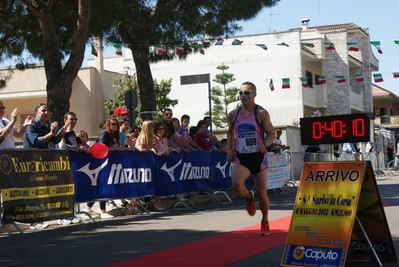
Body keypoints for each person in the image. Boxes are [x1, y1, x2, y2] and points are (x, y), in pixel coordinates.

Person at [226, 81, 275, 236]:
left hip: (258, 157)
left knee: (262, 193)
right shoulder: (234, 114)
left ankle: (265, 220)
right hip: (242, 156)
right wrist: (230, 149)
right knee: (236, 185)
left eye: (246, 93)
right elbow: (229, 132)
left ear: (254, 94)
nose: (243, 96)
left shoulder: (260, 113)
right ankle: (248, 196)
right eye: (240, 93)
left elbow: (272, 133)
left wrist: (265, 144)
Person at [23, 103, 68, 230]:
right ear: (37, 113)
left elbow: (54, 140)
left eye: (47, 110)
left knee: (42, 190)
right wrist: (52, 133)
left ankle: (43, 216)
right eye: (43, 110)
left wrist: (60, 132)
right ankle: (33, 220)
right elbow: (37, 141)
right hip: (30, 163)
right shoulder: (32, 126)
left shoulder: (46, 126)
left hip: (42, 162)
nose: (46, 113)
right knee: (34, 191)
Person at [85, 117, 124, 219]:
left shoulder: (114, 135)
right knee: (103, 186)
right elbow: (101, 146)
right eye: (112, 124)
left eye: (116, 124)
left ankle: (87, 207)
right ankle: (103, 211)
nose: (114, 126)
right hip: (102, 162)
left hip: (110, 162)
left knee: (103, 186)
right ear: (108, 124)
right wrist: (115, 148)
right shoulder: (105, 133)